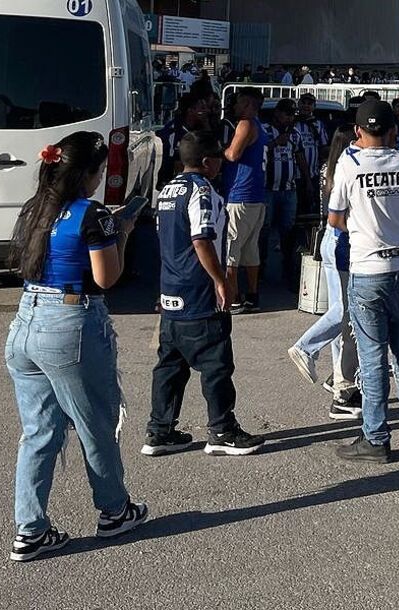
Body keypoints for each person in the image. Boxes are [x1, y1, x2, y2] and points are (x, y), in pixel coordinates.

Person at [5, 132, 147, 562]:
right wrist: (121, 231)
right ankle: (114, 510)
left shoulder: (35, 209)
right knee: (95, 423)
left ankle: (30, 529)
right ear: (87, 174)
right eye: (100, 172)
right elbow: (106, 278)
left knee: (39, 432)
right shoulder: (94, 215)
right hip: (69, 321)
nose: (101, 179)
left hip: (26, 319)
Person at [146, 131, 264, 457]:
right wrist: (221, 280)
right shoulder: (203, 192)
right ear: (208, 162)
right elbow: (201, 240)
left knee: (170, 365)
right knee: (216, 362)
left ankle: (160, 430)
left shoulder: (167, 191)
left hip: (171, 289)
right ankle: (222, 430)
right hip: (198, 291)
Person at [327, 100, 399, 463]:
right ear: (393, 132)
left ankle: (375, 437)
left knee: (372, 358)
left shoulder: (349, 164)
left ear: (358, 132)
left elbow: (334, 217)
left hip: (367, 270)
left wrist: (360, 230)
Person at [288, 124, 364, 419]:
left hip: (332, 243)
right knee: (344, 311)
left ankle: (339, 380)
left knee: (342, 319)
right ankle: (306, 347)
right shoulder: (348, 167)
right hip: (343, 242)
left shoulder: (330, 167)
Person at [221, 87, 270, 314]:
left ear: (249, 105)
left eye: (239, 102)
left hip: (239, 195)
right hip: (256, 196)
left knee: (231, 249)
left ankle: (234, 299)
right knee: (250, 249)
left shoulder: (246, 123)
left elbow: (233, 155)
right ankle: (253, 295)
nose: (235, 106)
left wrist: (220, 149)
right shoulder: (261, 127)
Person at [260, 99, 309, 279]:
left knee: (288, 229)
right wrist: (275, 143)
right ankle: (260, 267)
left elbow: (301, 158)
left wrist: (308, 182)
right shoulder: (264, 130)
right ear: (277, 113)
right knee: (264, 230)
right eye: (287, 114)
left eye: (292, 115)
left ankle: (288, 266)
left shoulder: (295, 134)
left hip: (289, 189)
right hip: (268, 189)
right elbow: (259, 151)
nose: (290, 118)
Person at [156, 93, 210, 190]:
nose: (206, 111)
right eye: (202, 108)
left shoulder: (199, 128)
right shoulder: (174, 131)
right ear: (190, 111)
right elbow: (175, 162)